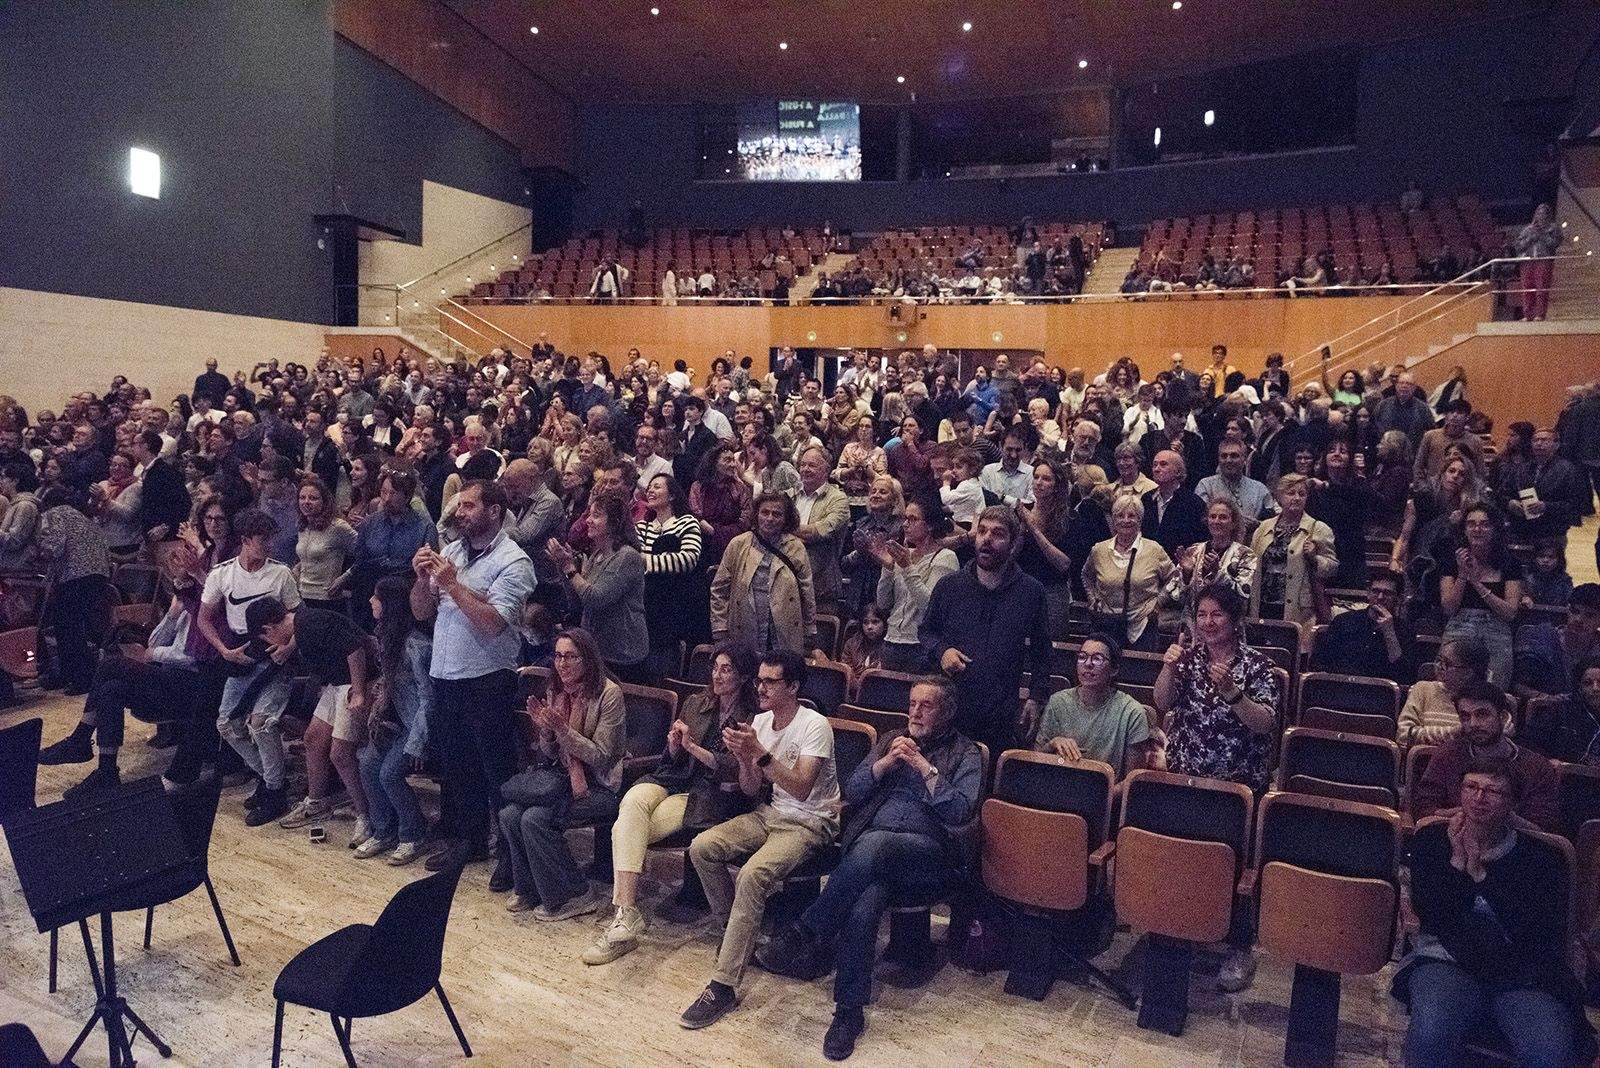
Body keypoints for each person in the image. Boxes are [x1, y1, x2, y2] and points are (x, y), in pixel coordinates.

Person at [756, 677, 983, 1060]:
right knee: (864, 899)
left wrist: (924, 768)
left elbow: (961, 810)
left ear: (946, 712)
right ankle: (848, 1013)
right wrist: (885, 763)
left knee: (874, 845)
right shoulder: (890, 740)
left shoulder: (966, 753)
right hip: (871, 856)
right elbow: (853, 790)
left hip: (929, 855)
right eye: (912, 703)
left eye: (926, 706)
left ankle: (809, 929)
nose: (915, 712)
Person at [1396, 756, 1594, 1067]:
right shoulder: (1433, 840)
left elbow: (1536, 936)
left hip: (1522, 975)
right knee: (1432, 1031)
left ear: (1512, 802)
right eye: (1470, 787)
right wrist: (1458, 865)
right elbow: (1434, 917)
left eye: (1492, 791)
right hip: (1448, 961)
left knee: (1551, 1051)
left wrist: (1481, 876)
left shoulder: (1543, 857)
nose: (1478, 798)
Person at [681, 650, 840, 1029]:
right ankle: (736, 934)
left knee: (753, 875)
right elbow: (751, 789)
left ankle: (723, 985)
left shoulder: (814, 725)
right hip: (769, 814)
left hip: (811, 822)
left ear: (794, 687)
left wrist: (760, 754)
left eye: (770, 681)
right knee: (702, 847)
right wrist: (744, 760)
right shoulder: (762, 721)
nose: (760, 687)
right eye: (760, 680)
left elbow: (802, 788)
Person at [585, 643, 758, 966]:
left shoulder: (753, 717)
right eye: (715, 667)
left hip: (704, 793)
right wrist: (675, 745)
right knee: (633, 802)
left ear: (744, 676)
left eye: (726, 669)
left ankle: (623, 917)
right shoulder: (696, 702)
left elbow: (735, 767)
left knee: (629, 829)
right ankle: (626, 911)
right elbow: (672, 759)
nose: (717, 675)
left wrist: (692, 748)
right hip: (672, 778)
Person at [1153, 583, 1279, 991]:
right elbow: (1162, 703)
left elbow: (1265, 722)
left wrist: (1233, 694)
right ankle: (1186, 930)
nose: (1208, 623)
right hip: (1189, 776)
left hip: (1236, 786)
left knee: (1234, 866)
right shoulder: (1188, 661)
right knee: (1190, 858)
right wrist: (1168, 667)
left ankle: (1239, 948)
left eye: (1217, 615)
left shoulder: (1259, 667)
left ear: (1235, 619)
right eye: (1202, 615)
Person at [409, 479, 536, 873]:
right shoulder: (451, 551)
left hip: (487, 678)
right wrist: (420, 580)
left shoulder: (514, 562)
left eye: (468, 506)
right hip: (446, 674)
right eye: (458, 506)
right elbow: (420, 612)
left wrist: (452, 584)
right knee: (456, 766)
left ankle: (510, 855)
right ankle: (469, 842)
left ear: (494, 511)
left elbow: (494, 623)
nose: (458, 513)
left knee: (495, 769)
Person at [37, 550, 203, 797]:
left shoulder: (208, 610)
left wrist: (153, 655)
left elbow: (194, 657)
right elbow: (154, 640)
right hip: (166, 678)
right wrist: (172, 613)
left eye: (183, 578)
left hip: (191, 684)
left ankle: (80, 740)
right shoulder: (184, 608)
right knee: (111, 689)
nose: (178, 582)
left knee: (112, 665)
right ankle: (106, 771)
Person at [499, 627, 624, 919]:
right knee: (509, 814)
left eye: (570, 657)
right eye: (558, 656)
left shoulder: (609, 694)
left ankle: (575, 894)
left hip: (599, 785)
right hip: (561, 779)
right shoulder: (556, 689)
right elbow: (551, 755)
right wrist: (544, 730)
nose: (562, 664)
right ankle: (530, 889)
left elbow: (602, 757)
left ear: (587, 659)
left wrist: (563, 730)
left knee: (534, 818)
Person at [920, 506, 1053, 761]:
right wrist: (942, 651)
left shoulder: (1031, 591)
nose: (987, 539)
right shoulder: (949, 586)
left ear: (1014, 543)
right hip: (951, 707)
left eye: (997, 534)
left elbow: (1041, 650)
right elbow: (927, 632)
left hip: (999, 711)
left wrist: (1036, 696)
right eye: (982, 531)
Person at [197, 507, 301, 825]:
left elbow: (300, 619)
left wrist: (288, 647)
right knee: (227, 724)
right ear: (245, 540)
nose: (269, 546)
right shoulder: (223, 574)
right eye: (262, 540)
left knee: (261, 723)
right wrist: (224, 650)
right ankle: (273, 779)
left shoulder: (280, 574)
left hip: (273, 653)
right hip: (241, 653)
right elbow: (204, 618)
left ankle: (273, 789)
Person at [247, 597, 373, 841]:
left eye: (265, 638)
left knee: (341, 754)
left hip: (354, 682)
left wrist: (358, 691)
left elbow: (355, 649)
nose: (269, 644)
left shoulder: (311, 624)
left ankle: (366, 815)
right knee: (314, 738)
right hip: (337, 683)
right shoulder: (301, 626)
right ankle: (316, 801)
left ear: (269, 629)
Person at [354, 575, 432, 864]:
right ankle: (384, 830)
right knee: (367, 765)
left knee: (389, 774)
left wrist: (417, 743)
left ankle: (414, 834)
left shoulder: (417, 646)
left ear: (389, 604)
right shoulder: (387, 640)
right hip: (397, 724)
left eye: (376, 597)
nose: (371, 601)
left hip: (419, 730)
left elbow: (428, 700)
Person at [1412, 681, 1559, 831]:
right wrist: (1470, 813)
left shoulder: (1537, 767)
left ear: (1502, 717)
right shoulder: (1448, 754)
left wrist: (1499, 815)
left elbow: (1543, 830)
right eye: (1465, 716)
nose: (1473, 723)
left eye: (1482, 714)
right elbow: (1422, 810)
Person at [548, 492, 649, 681]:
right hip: (597, 651)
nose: (588, 521)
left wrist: (570, 569)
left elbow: (596, 599)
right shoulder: (597, 555)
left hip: (622, 655)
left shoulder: (626, 556)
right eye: (589, 515)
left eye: (596, 515)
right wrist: (563, 568)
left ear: (614, 522)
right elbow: (577, 601)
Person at [1034, 633, 1156, 779]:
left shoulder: (1131, 712)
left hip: (1107, 796)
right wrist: (1053, 743)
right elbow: (1035, 759)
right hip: (1059, 786)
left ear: (1114, 669)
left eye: (1097, 659)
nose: (1088, 664)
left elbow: (1132, 781)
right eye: (1082, 657)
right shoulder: (1058, 702)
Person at [710, 491, 818, 655]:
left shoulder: (796, 548)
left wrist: (809, 631)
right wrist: (720, 630)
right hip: (745, 629)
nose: (769, 518)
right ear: (756, 514)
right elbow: (719, 590)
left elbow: (806, 592)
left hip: (783, 632)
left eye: (777, 514)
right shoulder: (738, 544)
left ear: (785, 519)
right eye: (764, 512)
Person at [34, 487, 113, 695]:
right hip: (99, 575)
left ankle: (77, 678)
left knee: (67, 628)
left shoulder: (55, 513)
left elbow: (55, 547)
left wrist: (39, 548)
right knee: (86, 628)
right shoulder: (85, 518)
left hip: (74, 576)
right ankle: (84, 675)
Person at [870, 498, 960, 673]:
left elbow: (930, 608)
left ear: (930, 525)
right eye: (905, 518)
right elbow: (883, 604)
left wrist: (907, 567)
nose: (905, 524)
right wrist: (887, 568)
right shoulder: (904, 554)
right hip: (891, 643)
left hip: (920, 648)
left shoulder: (945, 557)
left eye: (912, 519)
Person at [1438, 504, 1522, 687]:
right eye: (1471, 524)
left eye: (1484, 524)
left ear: (1494, 529)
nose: (1477, 529)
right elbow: (1449, 608)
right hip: (1460, 625)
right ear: (1464, 529)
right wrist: (1462, 574)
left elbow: (1510, 613)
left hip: (1496, 629)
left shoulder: (1509, 563)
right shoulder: (1450, 560)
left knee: (1492, 689)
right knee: (1450, 684)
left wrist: (1476, 583)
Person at [634, 473, 706, 678]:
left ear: (672, 495)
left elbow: (688, 559)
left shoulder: (687, 522)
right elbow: (632, 562)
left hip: (674, 604)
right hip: (645, 603)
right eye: (649, 487)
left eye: (657, 487)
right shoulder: (641, 526)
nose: (651, 491)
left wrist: (646, 560)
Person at [1082, 495, 1174, 651]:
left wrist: (1159, 602)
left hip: (1143, 627)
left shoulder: (1154, 550)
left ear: (1140, 520)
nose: (1126, 520)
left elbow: (1174, 577)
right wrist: (1093, 598)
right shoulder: (1099, 550)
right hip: (1106, 626)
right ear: (1113, 519)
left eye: (1132, 515)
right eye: (1120, 515)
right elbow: (1086, 575)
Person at [1248, 473, 1337, 628]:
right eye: (1290, 493)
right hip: (1262, 605)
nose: (1296, 498)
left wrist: (1314, 558)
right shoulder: (1263, 528)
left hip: (1298, 610)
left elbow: (1332, 568)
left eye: (1301, 494)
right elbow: (1250, 563)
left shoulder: (1319, 529)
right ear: (1279, 497)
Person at [1310, 569, 1415, 684]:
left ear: (1398, 598)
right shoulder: (1343, 621)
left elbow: (1404, 677)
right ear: (1368, 593)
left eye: (1387, 593)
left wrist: (1389, 632)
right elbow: (1318, 663)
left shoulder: (1405, 630)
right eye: (1375, 591)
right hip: (1341, 690)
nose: (1380, 597)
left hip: (1379, 696)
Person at [793, 446, 852, 617]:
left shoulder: (838, 499)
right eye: (803, 465)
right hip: (788, 588)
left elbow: (820, 532)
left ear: (826, 470)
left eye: (811, 465)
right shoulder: (790, 496)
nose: (805, 469)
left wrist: (785, 529)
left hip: (821, 590)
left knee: (818, 644)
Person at [292, 475, 356, 613]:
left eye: (313, 498)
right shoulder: (302, 526)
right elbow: (308, 557)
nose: (306, 502)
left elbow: (365, 554)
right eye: (302, 498)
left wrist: (344, 578)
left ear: (324, 501)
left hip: (329, 599)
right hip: (303, 596)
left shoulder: (338, 527)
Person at [1524, 657, 1600, 766]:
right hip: (1561, 776)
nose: (1595, 688)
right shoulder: (1559, 710)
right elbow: (1531, 747)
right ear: (1579, 688)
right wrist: (1548, 761)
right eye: (1588, 683)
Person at [1141, 449, 1208, 559]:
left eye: (1163, 464)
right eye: (1154, 465)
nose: (1157, 469)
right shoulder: (1146, 499)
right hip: (1149, 563)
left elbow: (1201, 541)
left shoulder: (1193, 503)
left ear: (1178, 471)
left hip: (1180, 565)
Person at [1196, 440, 1274, 527]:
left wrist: (1258, 524)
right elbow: (1202, 519)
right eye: (1224, 456)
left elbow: (1272, 522)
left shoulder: (1260, 489)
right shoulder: (1206, 486)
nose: (1228, 460)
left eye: (1234, 456)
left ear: (1244, 459)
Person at [1513, 202, 1562, 321]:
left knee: (1541, 288)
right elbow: (1518, 246)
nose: (1541, 215)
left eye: (1544, 213)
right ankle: (1528, 314)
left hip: (1543, 261)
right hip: (1528, 261)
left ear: (1548, 215)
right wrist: (1531, 237)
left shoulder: (1553, 228)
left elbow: (1554, 244)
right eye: (1539, 213)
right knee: (1527, 288)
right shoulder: (1527, 229)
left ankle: (1540, 314)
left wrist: (1542, 234)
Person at [979, 429, 1034, 505]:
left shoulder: (1032, 473)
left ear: (1024, 450)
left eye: (1018, 450)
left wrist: (1003, 498)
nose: (1013, 455)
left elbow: (1031, 504)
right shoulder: (987, 471)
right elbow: (981, 501)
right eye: (1009, 449)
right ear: (1000, 447)